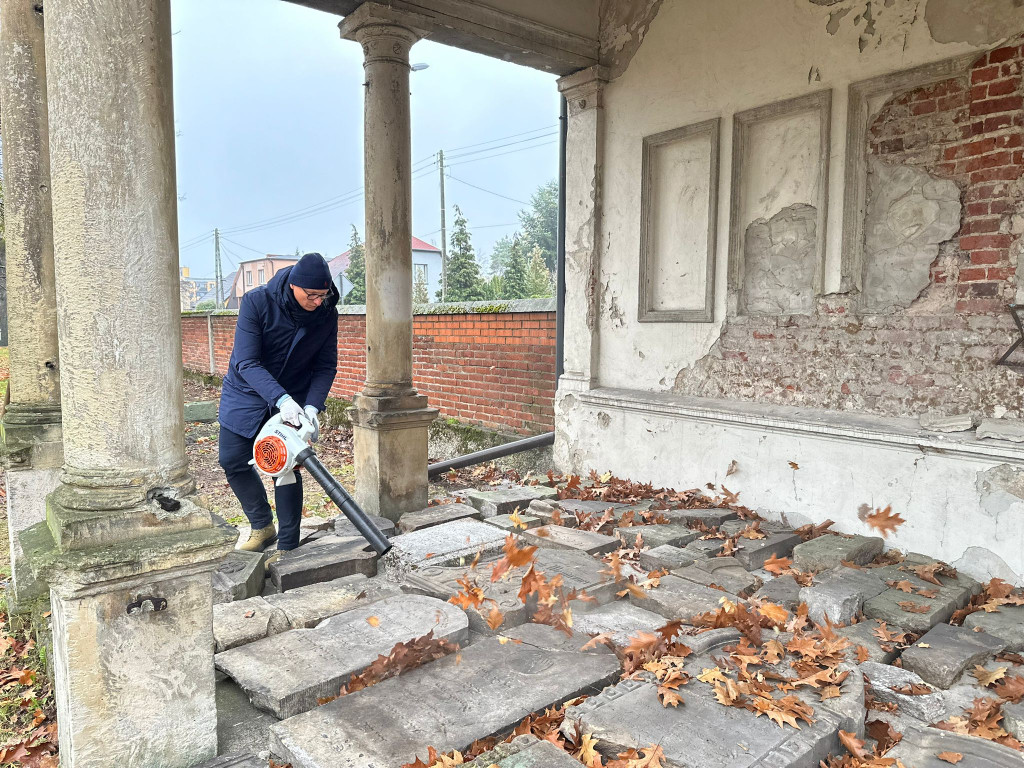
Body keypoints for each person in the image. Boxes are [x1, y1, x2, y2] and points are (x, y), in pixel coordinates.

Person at [218, 252, 339, 559]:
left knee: (285, 466)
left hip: (294, 395)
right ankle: (261, 526)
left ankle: (287, 545)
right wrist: (280, 399)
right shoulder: (257, 302)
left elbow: (325, 366)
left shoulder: (326, 313)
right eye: (311, 295)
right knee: (232, 460)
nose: (317, 301)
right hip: (246, 391)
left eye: (323, 295)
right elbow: (246, 361)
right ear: (293, 285)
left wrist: (311, 407)